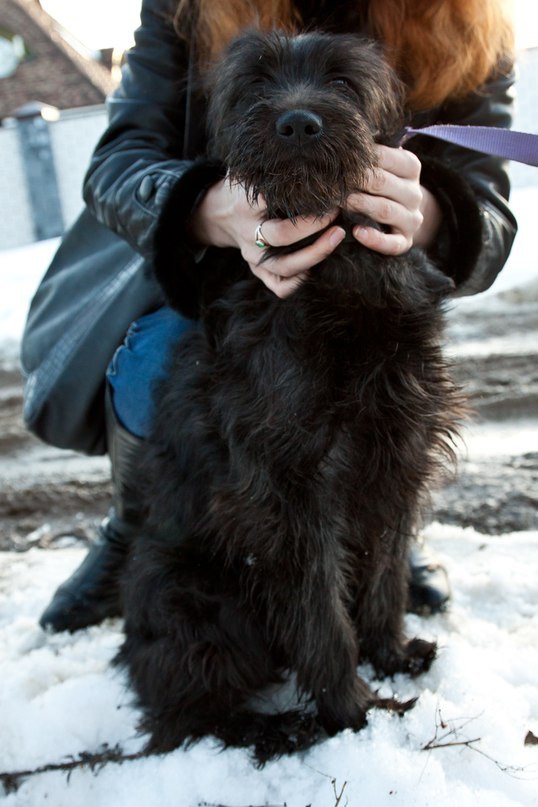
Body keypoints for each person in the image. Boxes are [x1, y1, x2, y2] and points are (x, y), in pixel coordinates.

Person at [35, 0, 517, 633]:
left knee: (388, 400)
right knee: (155, 361)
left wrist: (425, 212)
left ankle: (381, 529)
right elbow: (117, 163)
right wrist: (207, 208)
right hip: (222, 279)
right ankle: (147, 524)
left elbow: (491, 212)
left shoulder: (470, 22)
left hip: (376, 288)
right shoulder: (186, 7)